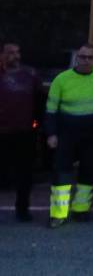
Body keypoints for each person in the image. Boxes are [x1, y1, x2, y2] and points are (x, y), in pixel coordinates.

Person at [46, 44, 93, 228]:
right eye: (83, 57)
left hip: (92, 135)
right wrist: (51, 134)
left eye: (90, 57)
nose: (86, 61)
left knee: (88, 173)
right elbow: (51, 110)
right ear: (77, 58)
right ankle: (58, 214)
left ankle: (81, 210)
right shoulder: (62, 79)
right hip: (66, 134)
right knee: (62, 174)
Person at [0, 42, 43, 221]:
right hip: (1, 132)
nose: (15, 56)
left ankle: (22, 210)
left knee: (24, 174)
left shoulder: (31, 75)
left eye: (17, 52)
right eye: (10, 53)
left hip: (25, 133)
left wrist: (37, 126)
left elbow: (39, 102)